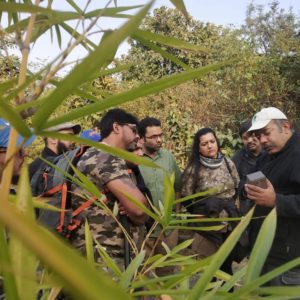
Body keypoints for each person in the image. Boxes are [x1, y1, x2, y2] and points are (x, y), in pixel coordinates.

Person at [71, 108, 148, 271]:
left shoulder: (96, 154)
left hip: (99, 253)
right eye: (133, 129)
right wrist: (140, 212)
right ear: (117, 127)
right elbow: (139, 209)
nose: (136, 136)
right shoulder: (105, 156)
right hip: (104, 256)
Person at [245, 107, 300, 286]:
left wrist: (276, 201)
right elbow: (247, 179)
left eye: (266, 133)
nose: (262, 140)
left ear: (285, 126)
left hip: (288, 259)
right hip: (263, 251)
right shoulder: (265, 157)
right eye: (259, 135)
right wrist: (247, 189)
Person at [181, 128, 240, 274]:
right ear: (198, 148)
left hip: (230, 223)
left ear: (217, 143)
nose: (210, 146)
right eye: (204, 143)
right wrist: (201, 213)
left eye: (212, 141)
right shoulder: (193, 169)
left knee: (227, 265)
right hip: (208, 225)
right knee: (210, 266)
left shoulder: (228, 163)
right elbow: (186, 198)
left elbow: (236, 186)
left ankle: (228, 294)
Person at [138, 117, 181, 274]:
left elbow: (178, 187)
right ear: (142, 139)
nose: (159, 140)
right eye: (153, 137)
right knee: (143, 276)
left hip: (168, 229)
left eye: (161, 135)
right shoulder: (133, 159)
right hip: (145, 232)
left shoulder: (168, 157)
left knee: (167, 273)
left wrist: (176, 215)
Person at [232, 120, 263, 215]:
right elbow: (232, 182)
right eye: (245, 138)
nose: (249, 140)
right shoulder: (238, 157)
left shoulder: (270, 152)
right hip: (246, 207)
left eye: (252, 135)